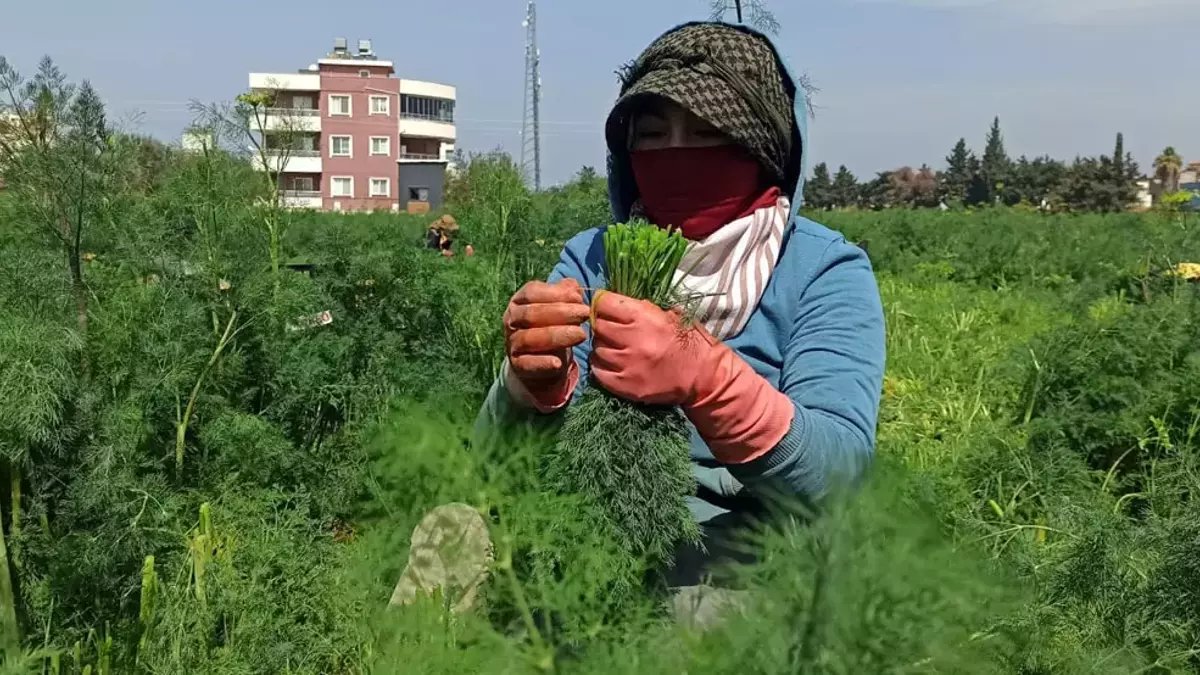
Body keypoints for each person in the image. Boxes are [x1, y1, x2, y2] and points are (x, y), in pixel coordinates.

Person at [392, 21, 886, 624]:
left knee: (696, 618)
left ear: (764, 148)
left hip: (743, 553)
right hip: (585, 527)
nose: (676, 153)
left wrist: (712, 382)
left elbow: (837, 474)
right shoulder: (593, 257)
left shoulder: (820, 270)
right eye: (651, 134)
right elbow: (497, 462)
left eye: (708, 133)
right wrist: (530, 384)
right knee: (450, 536)